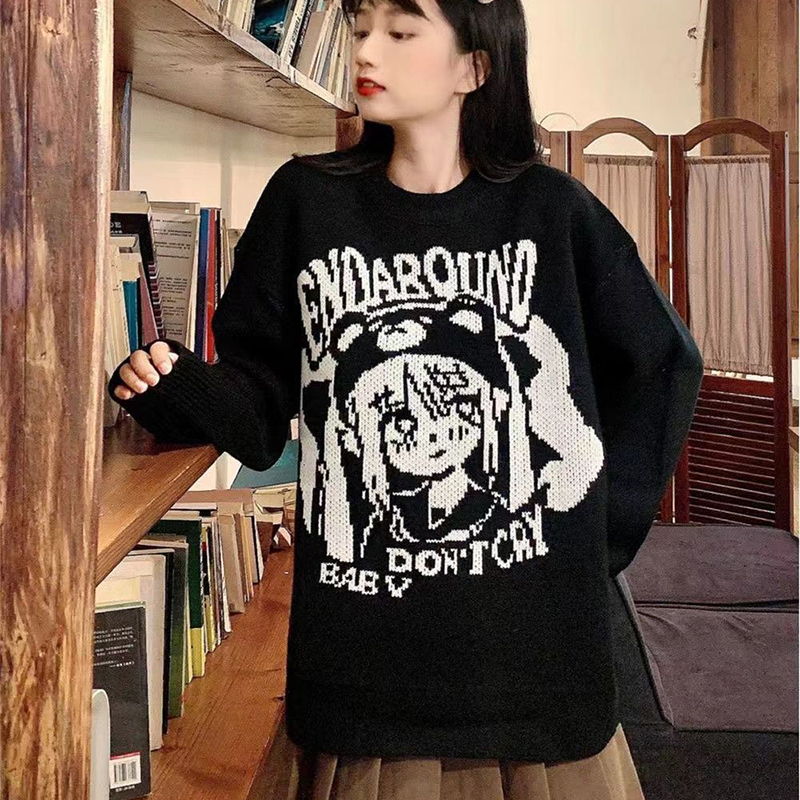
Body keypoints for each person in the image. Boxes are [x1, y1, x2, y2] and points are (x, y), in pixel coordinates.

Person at [108, 0, 705, 796]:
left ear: (475, 66)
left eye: (400, 31)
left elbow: (665, 365)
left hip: (534, 676)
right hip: (366, 675)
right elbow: (260, 408)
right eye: (360, 29)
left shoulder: (553, 213)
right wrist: (175, 390)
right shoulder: (305, 202)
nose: (366, 52)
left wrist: (592, 536)